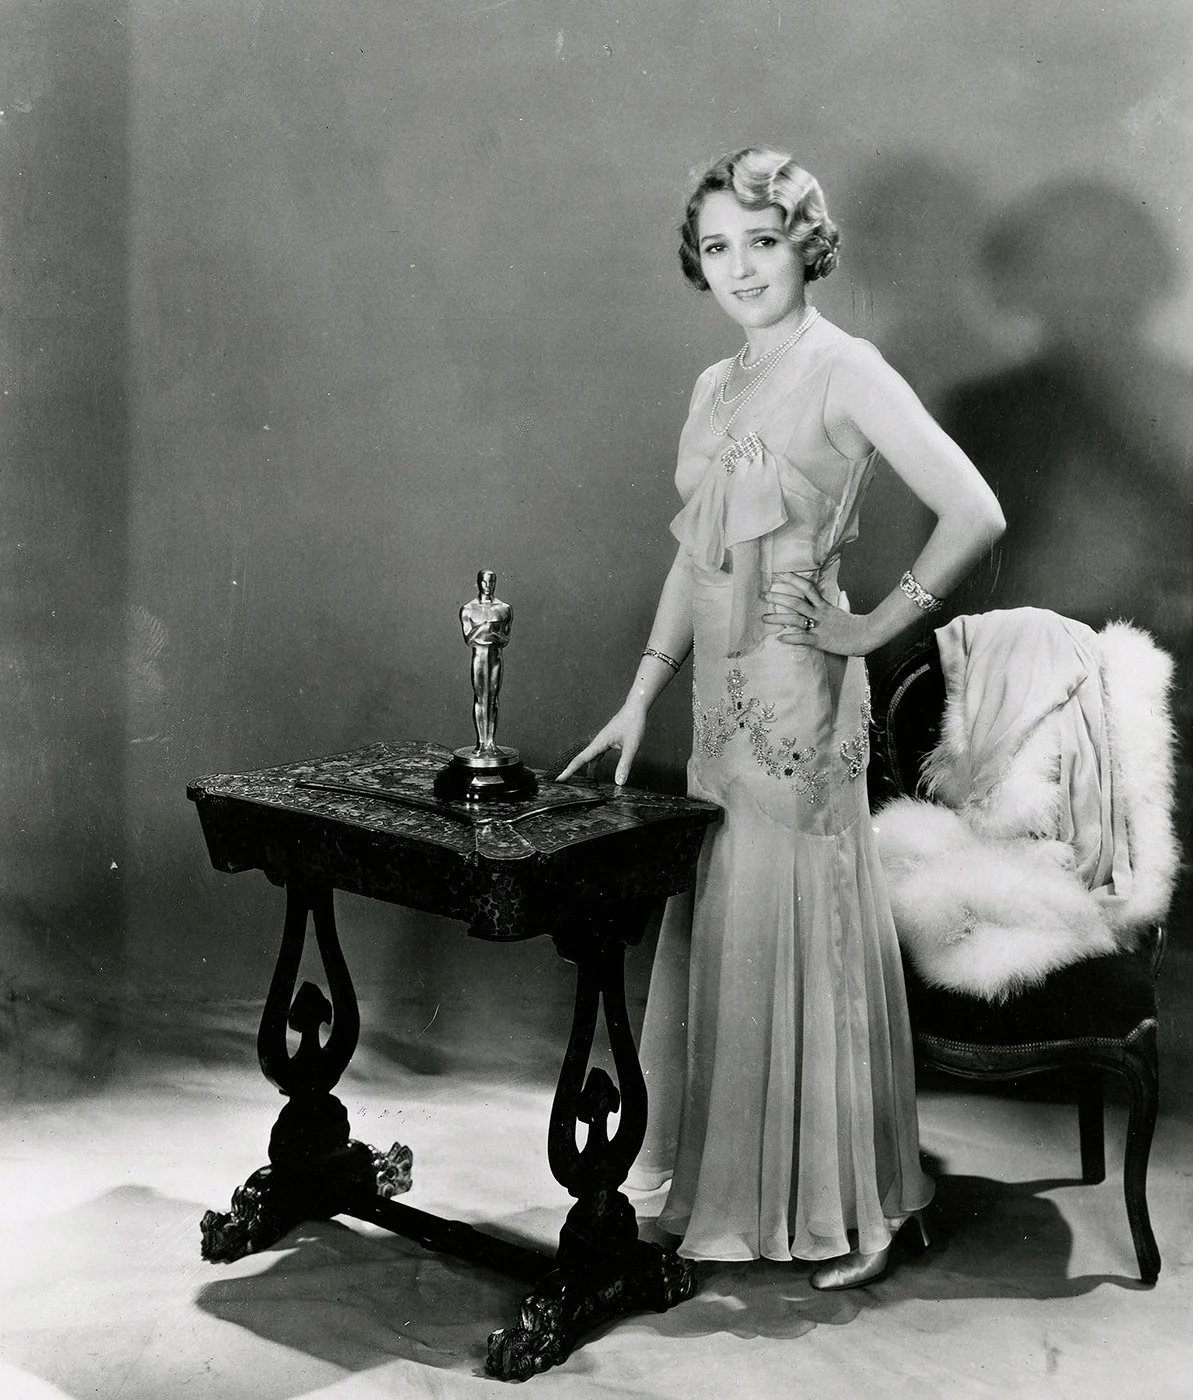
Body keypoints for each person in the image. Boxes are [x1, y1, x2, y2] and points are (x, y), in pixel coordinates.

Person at [558, 147, 1005, 1289]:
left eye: (761, 240)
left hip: (799, 691)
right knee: (726, 911)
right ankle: (732, 1190)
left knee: (803, 920)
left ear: (806, 243)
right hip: (714, 695)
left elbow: (975, 511)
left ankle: (853, 1209)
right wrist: (640, 691)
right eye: (716, 247)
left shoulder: (845, 368)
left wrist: (869, 628)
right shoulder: (713, 385)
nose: (741, 267)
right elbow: (694, 554)